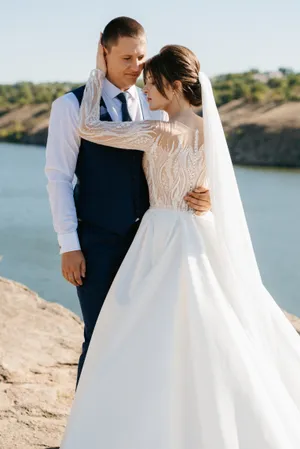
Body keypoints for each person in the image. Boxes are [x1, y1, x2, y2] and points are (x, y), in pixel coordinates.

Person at [59, 40, 300, 449]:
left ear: (172, 86)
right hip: (200, 234)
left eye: (151, 84)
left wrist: (98, 73)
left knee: (139, 333)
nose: (144, 91)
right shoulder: (211, 133)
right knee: (209, 330)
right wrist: (206, 195)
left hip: (161, 237)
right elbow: (219, 189)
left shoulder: (159, 130)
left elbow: (88, 128)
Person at [45, 17, 210, 384]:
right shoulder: (70, 107)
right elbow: (58, 178)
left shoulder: (154, 103)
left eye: (141, 57)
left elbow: (185, 156)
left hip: (151, 245)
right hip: (97, 242)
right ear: (103, 52)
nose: (137, 68)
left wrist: (205, 191)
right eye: (127, 59)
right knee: (100, 336)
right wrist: (68, 244)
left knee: (146, 339)